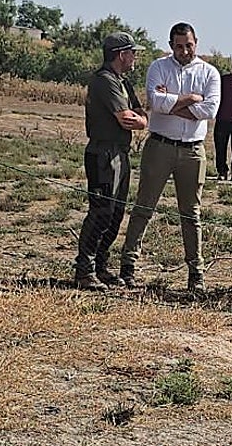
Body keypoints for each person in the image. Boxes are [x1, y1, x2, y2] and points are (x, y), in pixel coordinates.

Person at [119, 22, 221, 293]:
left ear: (196, 42)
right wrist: (189, 99)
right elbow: (154, 102)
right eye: (179, 46)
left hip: (193, 150)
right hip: (160, 147)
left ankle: (195, 272)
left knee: (191, 214)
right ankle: (128, 265)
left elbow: (210, 109)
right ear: (170, 45)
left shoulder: (209, 72)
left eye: (189, 45)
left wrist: (172, 104)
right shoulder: (159, 67)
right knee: (144, 206)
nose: (185, 51)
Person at [75, 32, 148, 290]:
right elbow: (126, 118)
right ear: (121, 54)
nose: (135, 57)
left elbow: (139, 114)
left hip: (120, 153)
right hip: (104, 154)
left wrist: (140, 120)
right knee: (101, 212)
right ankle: (84, 270)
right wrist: (139, 121)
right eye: (132, 52)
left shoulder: (122, 82)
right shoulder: (104, 81)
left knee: (115, 213)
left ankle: (101, 266)